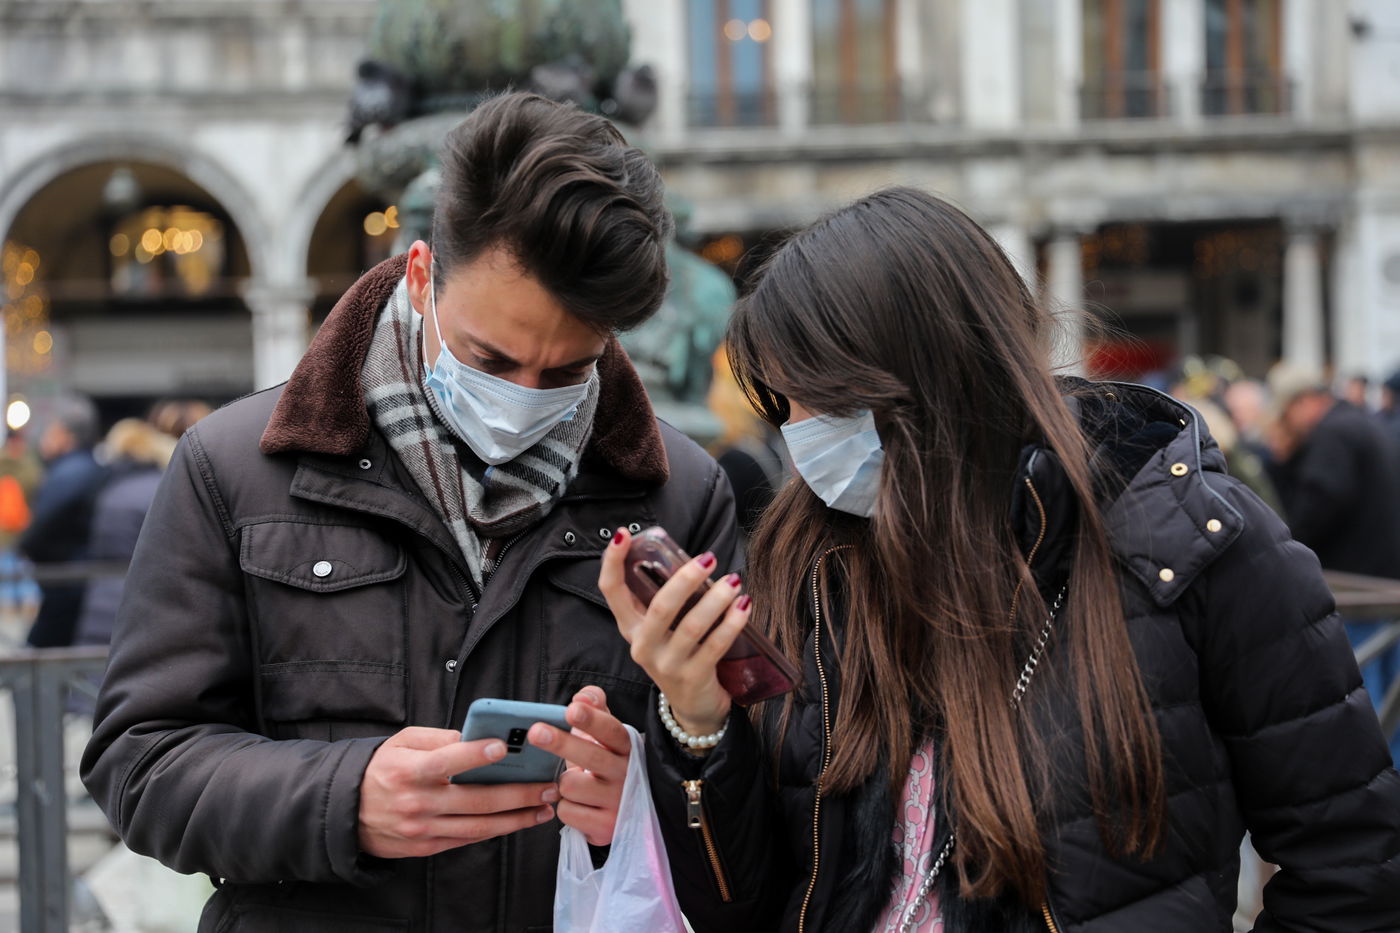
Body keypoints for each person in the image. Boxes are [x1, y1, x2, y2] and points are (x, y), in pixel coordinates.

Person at [598, 188, 1400, 932]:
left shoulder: (1187, 540)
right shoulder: (813, 562)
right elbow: (747, 902)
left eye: (828, 401)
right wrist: (696, 722)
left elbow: (1352, 864)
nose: (802, 433)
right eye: (786, 405)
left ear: (937, 376)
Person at [81, 92, 740, 933]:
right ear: (422, 273)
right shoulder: (235, 466)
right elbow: (139, 760)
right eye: (490, 356)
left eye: (569, 369)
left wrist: (655, 783)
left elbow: (743, 815)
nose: (521, 397)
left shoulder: (679, 493)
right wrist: (345, 798)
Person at [1266, 364, 1400, 764]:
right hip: (1383, 583)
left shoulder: (1334, 433)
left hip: (1358, 590)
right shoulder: (1359, 424)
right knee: (1385, 693)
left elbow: (1320, 502)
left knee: (1364, 694)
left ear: (1305, 402)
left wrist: (1284, 549)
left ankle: (1374, 784)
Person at [21, 395, 107, 647]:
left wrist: (24, 547)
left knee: (39, 654)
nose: (45, 439)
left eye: (50, 431)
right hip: (76, 579)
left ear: (65, 435)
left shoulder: (69, 473)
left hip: (66, 581)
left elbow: (41, 528)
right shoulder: (89, 467)